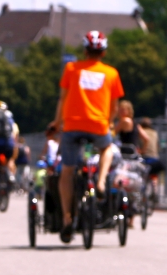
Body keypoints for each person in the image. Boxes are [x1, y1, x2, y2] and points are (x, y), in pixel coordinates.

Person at [50, 30, 124, 242]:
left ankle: (66, 218)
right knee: (107, 148)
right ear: (104, 52)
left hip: (72, 125)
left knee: (67, 171)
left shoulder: (71, 69)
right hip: (99, 126)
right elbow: (114, 105)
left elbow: (62, 99)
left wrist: (57, 123)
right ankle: (100, 182)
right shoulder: (111, 73)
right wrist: (109, 122)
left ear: (85, 50)